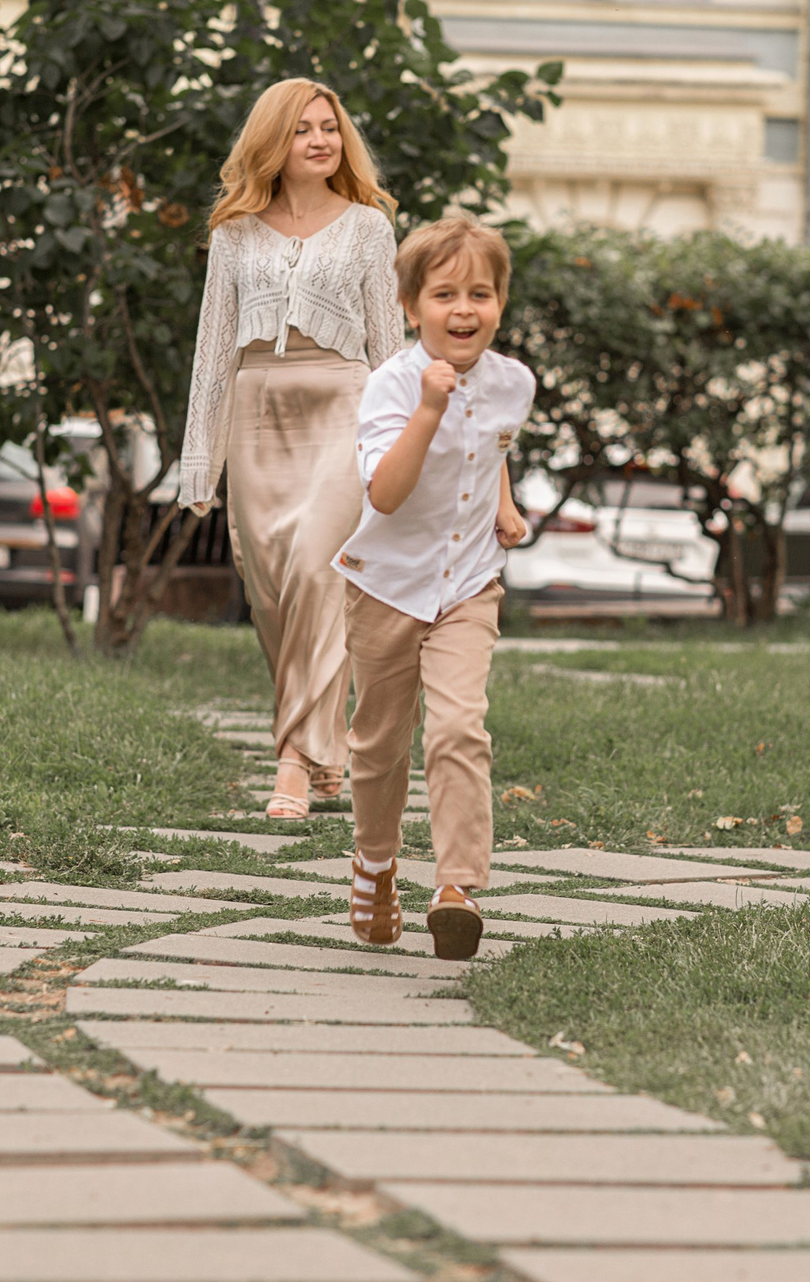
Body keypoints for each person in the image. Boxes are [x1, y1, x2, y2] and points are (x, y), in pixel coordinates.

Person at [181, 79, 403, 819]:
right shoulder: (234, 234)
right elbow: (212, 354)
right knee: (272, 590)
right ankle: (328, 743)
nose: (320, 140)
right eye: (303, 128)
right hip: (256, 412)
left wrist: (397, 453)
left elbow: (389, 347)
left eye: (330, 128)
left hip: (343, 402)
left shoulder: (369, 228)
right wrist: (199, 462)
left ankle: (293, 762)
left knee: (316, 566)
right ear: (273, 141)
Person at [335, 215, 533, 961]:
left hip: (469, 583)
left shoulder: (515, 382)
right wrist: (429, 407)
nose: (463, 309)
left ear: (500, 303)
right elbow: (385, 493)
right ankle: (376, 864)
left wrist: (504, 504)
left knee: (458, 727)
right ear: (412, 305)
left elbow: (492, 446)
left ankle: (457, 886)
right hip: (386, 584)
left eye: (479, 293)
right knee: (379, 744)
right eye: (444, 293)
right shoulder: (389, 386)